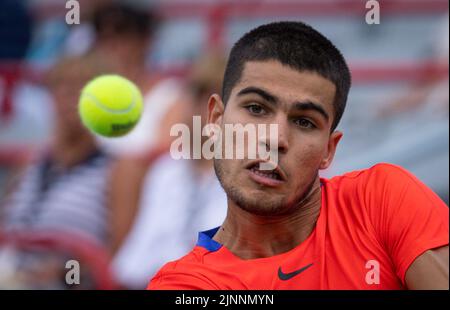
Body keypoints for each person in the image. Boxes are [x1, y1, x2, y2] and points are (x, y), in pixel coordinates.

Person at [147, 22, 449, 290]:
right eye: (256, 108)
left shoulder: (383, 198)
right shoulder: (184, 286)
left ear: (328, 151)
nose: (275, 139)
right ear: (214, 120)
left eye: (304, 122)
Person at [111, 53, 228, 289]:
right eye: (199, 96)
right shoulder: (165, 171)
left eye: (219, 100)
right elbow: (130, 265)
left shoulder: (253, 176)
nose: (207, 111)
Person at [0, 55, 113, 247]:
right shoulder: (30, 162)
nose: (72, 95)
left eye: (84, 87)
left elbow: (117, 259)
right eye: (63, 86)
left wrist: (66, 271)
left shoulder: (115, 169)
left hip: (72, 274)